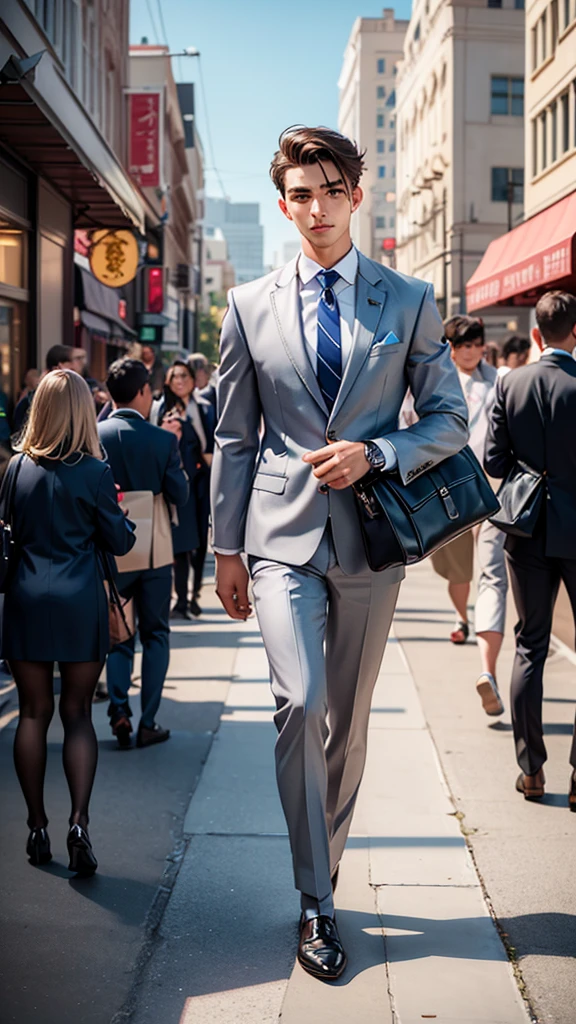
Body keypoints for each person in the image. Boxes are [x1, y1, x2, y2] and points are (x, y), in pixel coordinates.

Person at [211, 125, 468, 980]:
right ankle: (316, 901)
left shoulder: (407, 299)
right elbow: (235, 440)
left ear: (356, 194)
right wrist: (224, 548)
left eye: (329, 190)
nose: (314, 209)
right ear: (284, 204)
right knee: (301, 702)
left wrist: (379, 452)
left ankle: (323, 873)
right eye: (299, 195)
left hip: (371, 541)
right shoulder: (247, 306)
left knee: (349, 724)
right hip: (279, 541)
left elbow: (449, 421)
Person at [0, 370, 135, 874]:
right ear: (83, 412)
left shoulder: (16, 468)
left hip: (26, 599)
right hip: (80, 601)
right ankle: (79, 822)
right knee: (78, 713)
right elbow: (119, 541)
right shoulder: (95, 473)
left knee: (33, 713)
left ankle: (37, 826)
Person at [485, 290, 576, 807]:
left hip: (525, 529)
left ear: (536, 333)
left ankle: (532, 769)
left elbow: (495, 463)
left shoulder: (510, 383)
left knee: (529, 645)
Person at [98, 358, 188, 749]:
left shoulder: (94, 434)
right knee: (155, 635)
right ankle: (148, 720)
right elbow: (180, 493)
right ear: (141, 393)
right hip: (153, 548)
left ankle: (119, 709)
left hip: (109, 546)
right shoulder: (163, 439)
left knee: (118, 633)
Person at [429, 316, 507, 716]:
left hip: (493, 486)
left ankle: (486, 664)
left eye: (477, 344)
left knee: (492, 570)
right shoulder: (438, 380)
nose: (471, 351)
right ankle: (463, 616)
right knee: (459, 568)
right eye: (463, 345)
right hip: (453, 486)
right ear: (451, 347)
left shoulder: (501, 380)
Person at [151, 360, 206, 618]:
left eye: (185, 376)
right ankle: (180, 600)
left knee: (200, 543)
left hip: (202, 483)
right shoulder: (162, 409)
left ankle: (193, 595)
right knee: (180, 544)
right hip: (175, 483)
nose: (180, 381)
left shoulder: (204, 407)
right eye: (175, 377)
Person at [12, 345, 76, 434]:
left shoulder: (75, 397)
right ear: (58, 368)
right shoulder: (30, 401)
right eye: (72, 370)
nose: (75, 377)